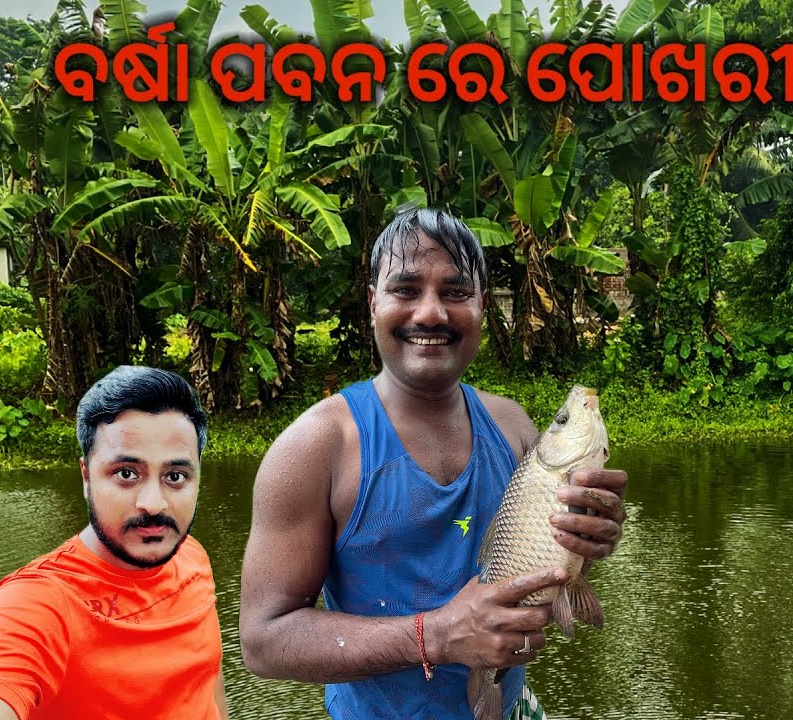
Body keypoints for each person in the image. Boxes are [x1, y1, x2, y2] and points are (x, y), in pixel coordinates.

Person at [238, 208, 628, 719]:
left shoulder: (511, 425)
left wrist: (590, 539)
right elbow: (262, 642)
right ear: (373, 302)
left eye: (454, 292)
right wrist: (437, 636)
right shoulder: (314, 447)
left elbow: (542, 562)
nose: (431, 313)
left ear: (482, 306)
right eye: (405, 289)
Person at [0, 366, 228, 720]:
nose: (153, 503)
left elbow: (207, 680)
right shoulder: (36, 604)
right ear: (86, 476)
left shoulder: (191, 556)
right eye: (126, 474)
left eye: (175, 476)